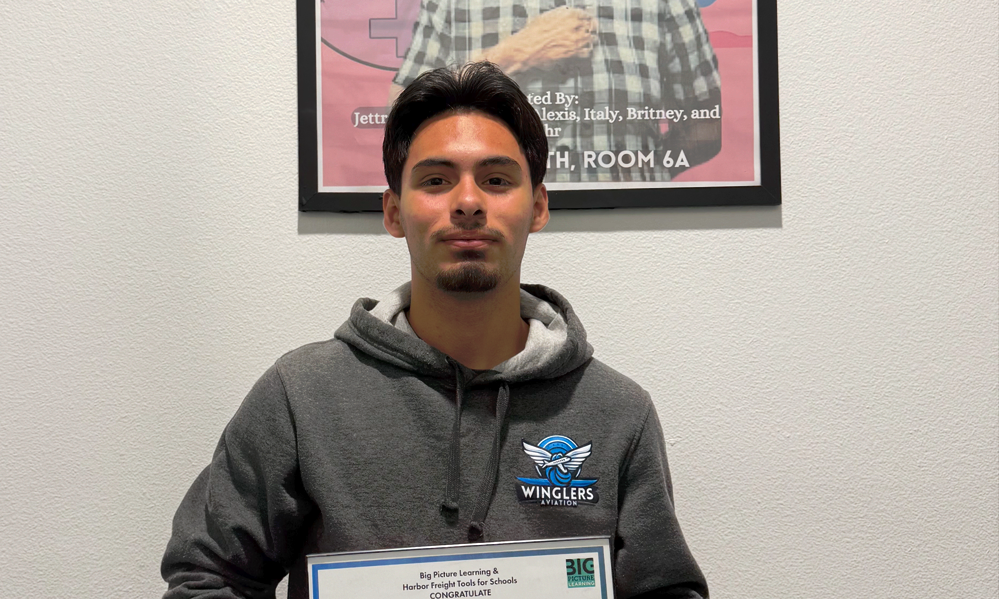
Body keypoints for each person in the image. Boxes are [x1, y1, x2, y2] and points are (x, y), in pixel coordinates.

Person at [162, 62, 707, 598]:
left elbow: (665, 588)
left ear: (537, 207)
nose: (468, 202)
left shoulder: (617, 412)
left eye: (496, 180)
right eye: (436, 180)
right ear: (394, 212)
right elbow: (207, 575)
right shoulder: (300, 395)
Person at [389, 0, 722, 182]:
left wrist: (646, 171)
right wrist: (518, 52)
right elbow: (401, 115)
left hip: (633, 230)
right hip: (494, 226)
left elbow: (706, 122)